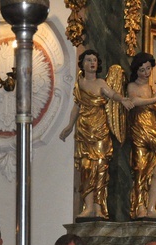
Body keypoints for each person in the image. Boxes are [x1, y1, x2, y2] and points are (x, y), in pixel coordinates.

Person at [59, 49, 132, 219]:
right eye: (88, 60)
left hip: (100, 130)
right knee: (86, 168)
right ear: (82, 63)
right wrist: (70, 125)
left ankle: (99, 207)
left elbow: (112, 94)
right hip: (84, 130)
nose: (92, 63)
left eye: (94, 60)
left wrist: (123, 99)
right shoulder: (80, 83)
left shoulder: (101, 82)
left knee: (100, 167)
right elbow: (77, 106)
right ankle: (88, 206)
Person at [127, 52, 156, 220]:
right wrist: (155, 98)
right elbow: (135, 102)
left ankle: (151, 208)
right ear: (136, 70)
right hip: (139, 132)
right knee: (141, 170)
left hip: (152, 131)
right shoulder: (132, 86)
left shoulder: (150, 88)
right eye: (142, 69)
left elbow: (153, 107)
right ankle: (140, 207)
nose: (145, 73)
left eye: (148, 69)